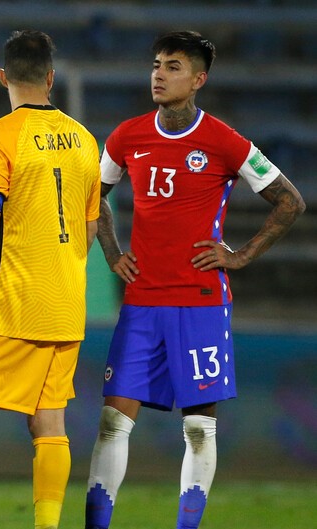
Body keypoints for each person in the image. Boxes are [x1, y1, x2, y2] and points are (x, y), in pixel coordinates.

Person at [84, 31, 306, 529]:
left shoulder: (225, 141)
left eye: (174, 67)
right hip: (141, 302)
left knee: (200, 429)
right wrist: (113, 252)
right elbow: (93, 195)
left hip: (200, 303)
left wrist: (241, 254)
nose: (159, 74)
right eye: (157, 64)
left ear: (199, 80)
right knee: (112, 422)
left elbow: (290, 201)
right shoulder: (127, 136)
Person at [0, 30, 101, 529]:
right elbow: (91, 226)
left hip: (9, 301)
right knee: (49, 421)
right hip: (65, 305)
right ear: (51, 79)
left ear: (3, 77)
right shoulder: (84, 139)